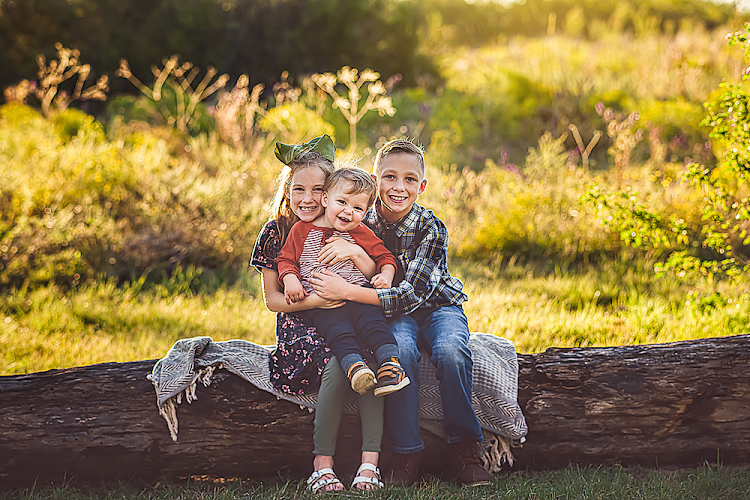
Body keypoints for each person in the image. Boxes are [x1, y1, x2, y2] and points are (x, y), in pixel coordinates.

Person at [307, 138, 493, 487]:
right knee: (401, 352)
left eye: (410, 180)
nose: (399, 187)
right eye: (390, 177)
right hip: (395, 314)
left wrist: (347, 291)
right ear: (376, 182)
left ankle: (465, 448)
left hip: (438, 307)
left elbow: (410, 296)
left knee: (451, 351)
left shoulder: (431, 227)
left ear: (421, 186)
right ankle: (407, 452)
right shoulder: (361, 218)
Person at [250, 135, 385, 492]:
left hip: (351, 311)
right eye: (299, 189)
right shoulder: (275, 231)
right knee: (338, 364)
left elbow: (376, 270)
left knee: (369, 360)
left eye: (317, 190)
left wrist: (354, 256)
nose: (307, 199)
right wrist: (318, 301)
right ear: (287, 189)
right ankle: (321, 466)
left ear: (329, 193)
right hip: (300, 322)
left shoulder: (347, 225)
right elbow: (273, 301)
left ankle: (369, 465)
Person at [277, 167, 411, 397]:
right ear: (326, 199)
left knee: (374, 325)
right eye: (342, 202)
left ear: (365, 212)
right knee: (337, 331)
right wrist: (291, 281)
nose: (349, 212)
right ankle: (355, 369)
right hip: (323, 302)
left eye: (357, 208)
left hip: (358, 293)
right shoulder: (301, 230)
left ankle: (390, 366)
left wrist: (386, 275)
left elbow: (386, 257)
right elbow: (286, 260)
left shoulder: (360, 231)